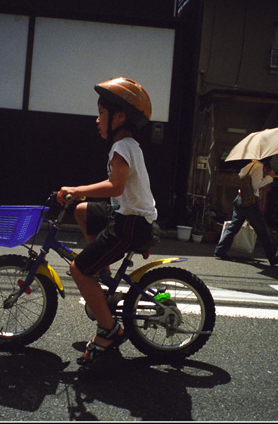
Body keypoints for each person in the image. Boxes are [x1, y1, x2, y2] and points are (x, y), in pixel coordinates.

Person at [56, 77, 157, 366]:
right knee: (83, 211)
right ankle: (102, 272)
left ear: (119, 116)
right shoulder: (127, 145)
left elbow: (116, 187)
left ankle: (110, 329)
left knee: (78, 269)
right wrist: (80, 198)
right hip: (131, 217)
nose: (97, 119)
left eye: (101, 113)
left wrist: (76, 189)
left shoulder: (121, 148)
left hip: (131, 224)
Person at [213, 158, 278, 266]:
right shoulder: (258, 167)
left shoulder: (249, 165)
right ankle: (274, 257)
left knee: (233, 227)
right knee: (262, 230)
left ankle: (220, 250)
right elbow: (255, 185)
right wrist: (270, 177)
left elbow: (241, 176)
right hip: (249, 203)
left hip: (240, 199)